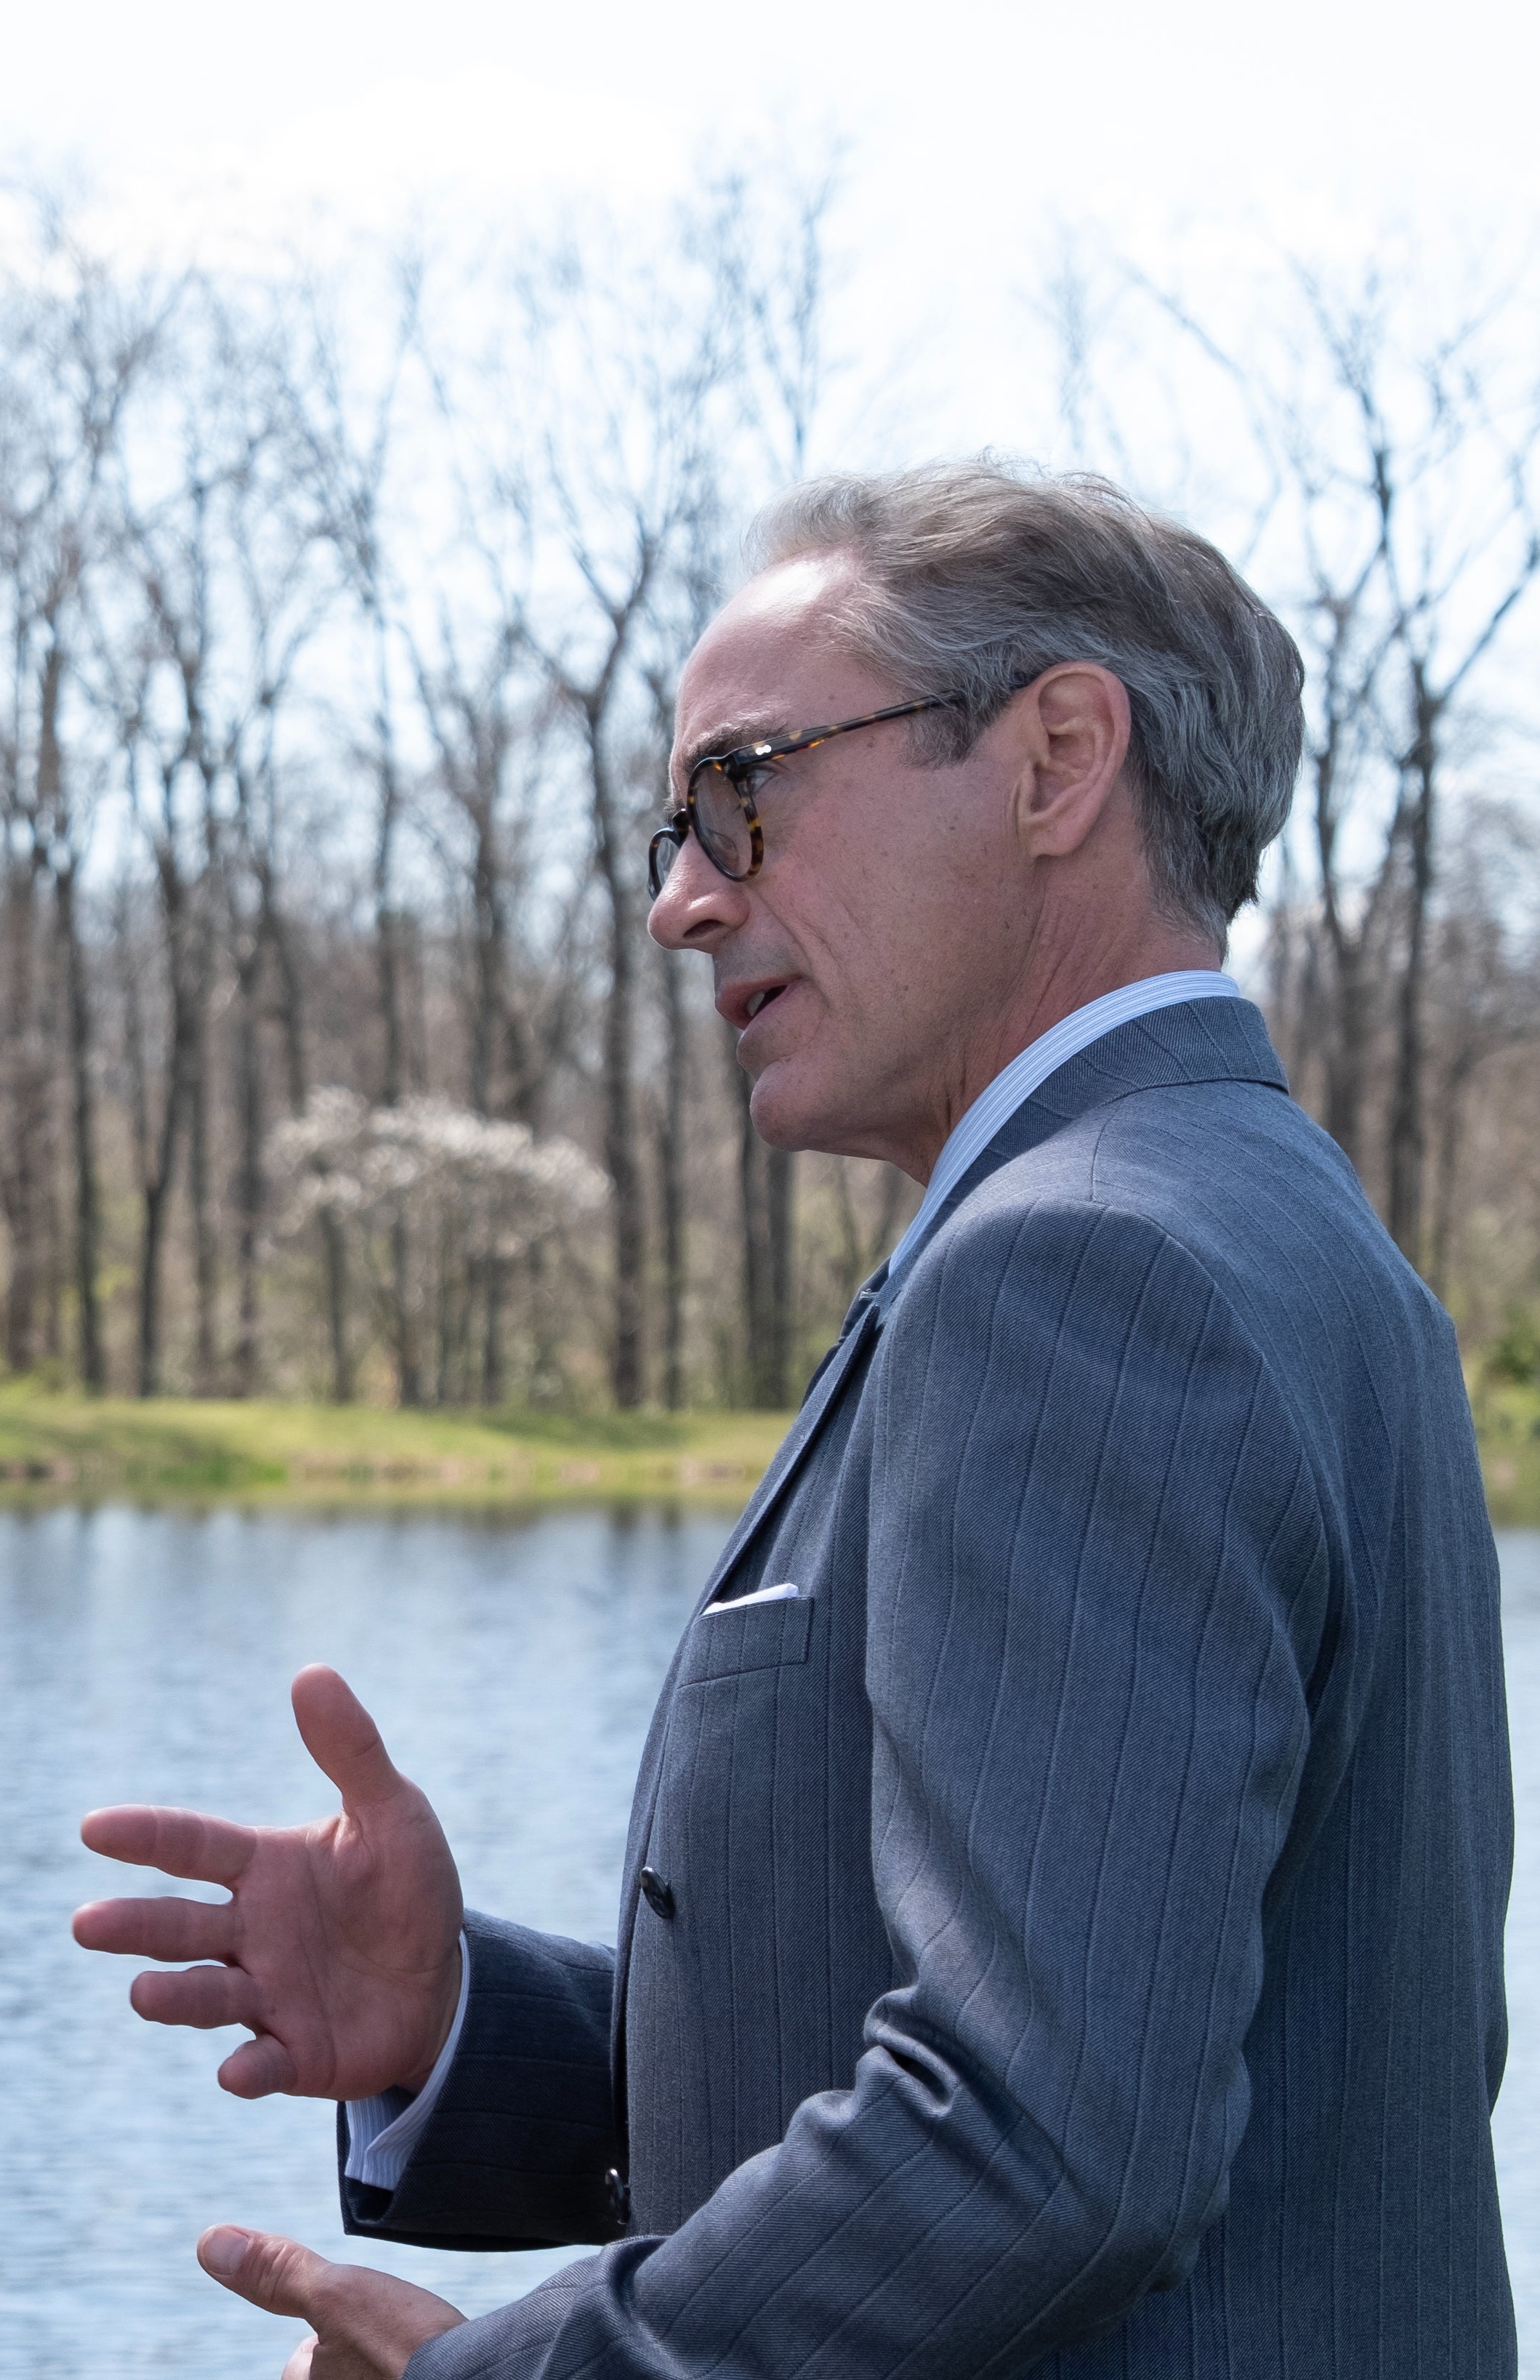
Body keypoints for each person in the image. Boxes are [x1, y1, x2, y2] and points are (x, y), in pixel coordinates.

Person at [76, 461, 1512, 2377]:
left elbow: (1041, 2152)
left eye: (744, 792)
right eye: (671, 827)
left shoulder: (1080, 1267)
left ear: (1053, 758)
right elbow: (1101, 2035)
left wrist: (491, 2375)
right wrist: (458, 2021)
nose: (680, 900)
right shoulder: (1278, 1229)